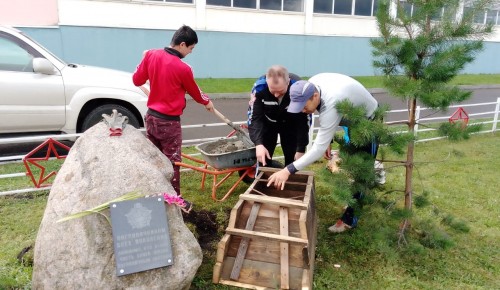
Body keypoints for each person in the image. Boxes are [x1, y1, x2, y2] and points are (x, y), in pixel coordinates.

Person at [266, 73, 380, 233]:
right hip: (349, 114)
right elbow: (327, 119)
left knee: (363, 171)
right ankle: (352, 199)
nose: (303, 111)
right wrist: (329, 139)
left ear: (314, 96)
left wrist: (287, 170)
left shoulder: (331, 102)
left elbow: (318, 149)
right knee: (350, 163)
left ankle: (350, 220)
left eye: (304, 106)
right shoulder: (311, 85)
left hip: (368, 120)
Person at [132, 25, 214, 211]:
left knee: (155, 157)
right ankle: (174, 200)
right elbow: (194, 91)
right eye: (191, 48)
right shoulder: (182, 68)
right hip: (169, 122)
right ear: (182, 44)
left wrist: (143, 59)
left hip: (151, 118)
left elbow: (137, 80)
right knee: (172, 161)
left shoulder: (151, 55)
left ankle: (154, 192)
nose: (191, 52)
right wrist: (206, 102)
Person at [247, 65, 310, 167]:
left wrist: (301, 148)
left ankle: (290, 180)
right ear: (267, 82)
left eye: (280, 91)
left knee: (293, 160)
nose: (276, 95)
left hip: (291, 124)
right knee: (263, 158)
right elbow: (254, 118)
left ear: (288, 82)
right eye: (272, 91)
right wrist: (258, 144)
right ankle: (264, 180)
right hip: (268, 123)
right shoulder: (259, 88)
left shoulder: (298, 88)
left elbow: (304, 120)